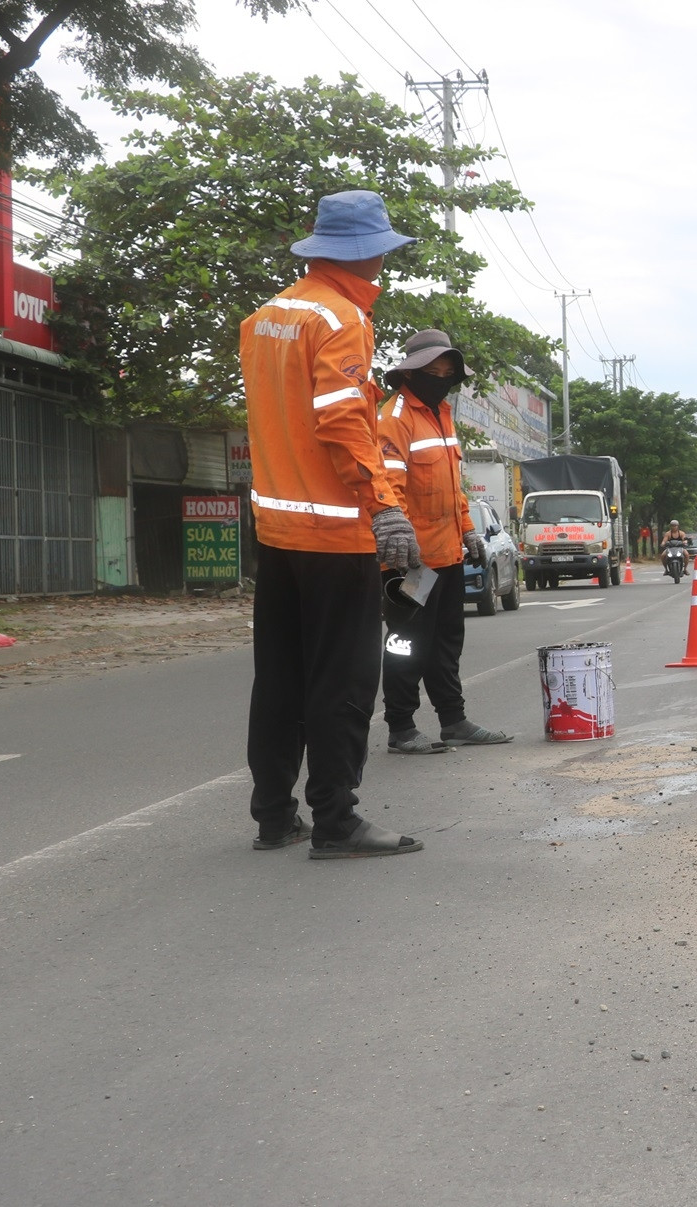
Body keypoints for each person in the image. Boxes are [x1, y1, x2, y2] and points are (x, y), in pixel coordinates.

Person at [239, 189, 424, 859]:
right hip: (337, 534)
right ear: (368, 253)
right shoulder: (343, 319)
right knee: (342, 679)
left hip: (277, 532)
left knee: (280, 677)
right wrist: (385, 506)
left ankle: (273, 815)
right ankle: (337, 820)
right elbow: (343, 421)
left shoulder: (264, 319)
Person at [376, 329, 514, 754]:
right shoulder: (395, 417)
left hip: (448, 553)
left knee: (446, 642)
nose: (440, 379)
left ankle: (453, 721)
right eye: (431, 372)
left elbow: (452, 485)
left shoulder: (441, 414)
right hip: (412, 561)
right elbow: (388, 486)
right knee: (406, 644)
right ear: (410, 373)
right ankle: (401, 727)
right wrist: (399, 536)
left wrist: (468, 529)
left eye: (446, 373)